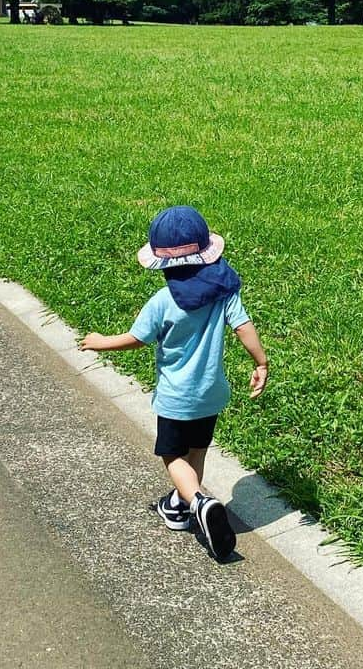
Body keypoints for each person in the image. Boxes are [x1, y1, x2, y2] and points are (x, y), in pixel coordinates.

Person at [81, 205, 268, 561]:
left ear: (162, 263)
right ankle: (180, 507)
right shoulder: (224, 289)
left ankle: (199, 502)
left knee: (172, 455)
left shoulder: (163, 301)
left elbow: (137, 338)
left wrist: (100, 341)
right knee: (196, 451)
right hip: (211, 395)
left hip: (177, 398)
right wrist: (261, 362)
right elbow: (244, 328)